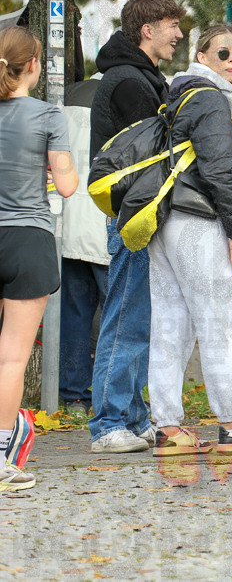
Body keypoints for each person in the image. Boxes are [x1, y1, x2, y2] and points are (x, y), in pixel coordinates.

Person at [147, 25, 232, 455]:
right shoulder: (212, 97)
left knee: (170, 324)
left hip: (166, 221)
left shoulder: (180, 93)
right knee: (220, 324)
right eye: (223, 53)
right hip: (198, 224)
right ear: (201, 56)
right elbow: (217, 176)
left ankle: (167, 428)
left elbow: (197, 159)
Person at [89, 0, 185, 453]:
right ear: (148, 30)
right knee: (126, 317)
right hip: (134, 217)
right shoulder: (130, 82)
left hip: (139, 215)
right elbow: (155, 156)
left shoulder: (140, 77)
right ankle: (108, 424)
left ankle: (133, 417)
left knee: (140, 319)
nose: (179, 34)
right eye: (172, 25)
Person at [0, 26, 78, 490]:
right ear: (34, 65)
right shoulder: (48, 115)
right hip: (27, 239)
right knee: (11, 358)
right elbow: (67, 186)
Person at [60, 76, 109, 419]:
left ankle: (74, 396)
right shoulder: (133, 92)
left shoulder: (67, 96)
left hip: (70, 222)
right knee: (119, 317)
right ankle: (111, 396)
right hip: (107, 224)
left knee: (74, 314)